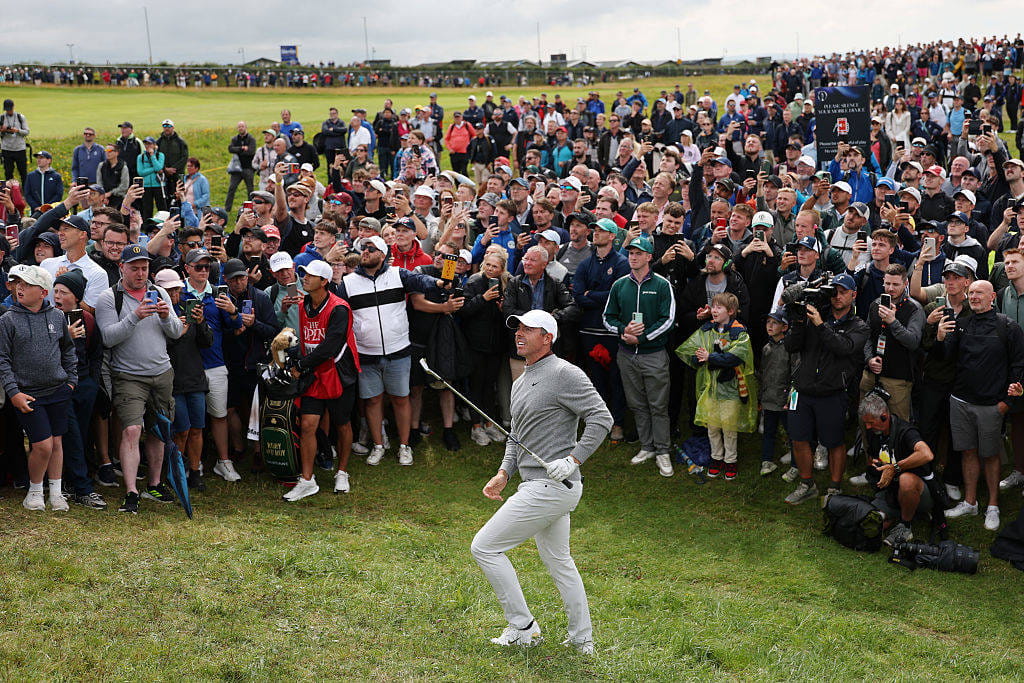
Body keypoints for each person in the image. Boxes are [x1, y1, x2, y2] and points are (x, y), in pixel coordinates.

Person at [472, 309, 611, 655]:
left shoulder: (566, 373)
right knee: (559, 562)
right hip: (537, 485)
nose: (519, 333)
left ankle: (523, 627)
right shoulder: (521, 380)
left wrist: (573, 459)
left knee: (485, 547)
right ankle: (583, 640)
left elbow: (601, 418)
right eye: (517, 328)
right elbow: (516, 435)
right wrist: (504, 473)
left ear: (547, 337)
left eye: (528, 329)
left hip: (554, 486)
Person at [335, 236, 445, 467]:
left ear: (382, 254)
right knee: (373, 401)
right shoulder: (348, 283)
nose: (364, 251)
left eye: (371, 248)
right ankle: (378, 445)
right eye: (363, 248)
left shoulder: (398, 275)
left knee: (401, 399)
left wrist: (437, 284)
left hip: (398, 351)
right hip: (366, 353)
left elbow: (421, 280)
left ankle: (404, 447)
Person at [94, 245, 184, 514]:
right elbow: (108, 338)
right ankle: (131, 491)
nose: (140, 273)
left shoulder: (160, 293)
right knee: (132, 430)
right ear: (122, 267)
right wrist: (134, 317)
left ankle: (154, 484)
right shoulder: (109, 298)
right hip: (128, 375)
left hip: (161, 372)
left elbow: (177, 332)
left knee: (159, 430)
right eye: (134, 268)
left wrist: (167, 316)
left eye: (144, 268)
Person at [938, 280, 1024, 531]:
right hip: (961, 401)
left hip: (992, 406)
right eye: (971, 293)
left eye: (979, 293)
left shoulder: (1008, 327)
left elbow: (1019, 366)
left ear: (992, 297)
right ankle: (970, 501)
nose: (974, 297)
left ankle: (993, 505)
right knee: (967, 452)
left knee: (991, 455)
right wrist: (942, 338)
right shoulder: (961, 324)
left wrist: (1007, 403)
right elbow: (947, 357)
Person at [783, 273, 870, 503]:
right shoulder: (815, 317)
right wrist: (799, 322)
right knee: (799, 439)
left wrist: (820, 325)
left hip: (833, 393)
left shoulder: (858, 325)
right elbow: (791, 346)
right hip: (802, 389)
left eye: (843, 292)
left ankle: (834, 487)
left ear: (854, 295)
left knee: (834, 442)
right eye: (835, 291)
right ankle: (806, 483)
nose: (838, 296)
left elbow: (843, 347)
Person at [0, 265, 76, 512]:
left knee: (56, 443)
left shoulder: (56, 316)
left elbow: (68, 349)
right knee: (42, 444)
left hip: (58, 390)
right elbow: (2, 360)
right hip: (28, 394)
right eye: (17, 283)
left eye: (27, 284)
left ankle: (55, 492)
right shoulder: (8, 320)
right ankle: (34, 491)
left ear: (43, 292)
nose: (20, 288)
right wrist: (13, 392)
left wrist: (71, 380)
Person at [285, 259, 361, 501]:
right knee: (307, 425)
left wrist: (300, 366)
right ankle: (307, 480)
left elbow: (331, 346)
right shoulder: (302, 305)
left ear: (324, 281)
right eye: (303, 274)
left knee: (342, 423)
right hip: (314, 373)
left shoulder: (340, 308)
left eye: (310, 275)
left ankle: (342, 472)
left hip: (338, 372)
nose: (304, 278)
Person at [602, 236, 676, 476]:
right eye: (631, 253)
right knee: (637, 404)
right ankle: (647, 447)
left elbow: (668, 320)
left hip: (653, 354)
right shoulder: (619, 285)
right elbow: (608, 317)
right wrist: (623, 331)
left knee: (658, 405)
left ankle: (663, 450)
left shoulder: (663, 285)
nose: (633, 256)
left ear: (649, 257)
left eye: (638, 253)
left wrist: (641, 339)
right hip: (626, 355)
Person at [677, 292, 758, 480]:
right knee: (712, 426)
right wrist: (698, 357)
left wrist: (710, 357)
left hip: (730, 390)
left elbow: (737, 356)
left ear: (730, 311)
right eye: (712, 307)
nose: (714, 310)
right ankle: (716, 458)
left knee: (729, 428)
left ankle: (731, 461)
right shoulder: (707, 330)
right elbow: (693, 350)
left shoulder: (739, 332)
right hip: (711, 389)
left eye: (718, 307)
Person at [51, 269, 106, 509]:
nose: (57, 296)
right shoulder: (49, 318)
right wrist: (67, 336)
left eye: (63, 292)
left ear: (76, 297)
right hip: (59, 386)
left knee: (81, 435)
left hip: (84, 385)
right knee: (71, 435)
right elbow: (42, 353)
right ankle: (83, 489)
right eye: (55, 291)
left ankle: (72, 482)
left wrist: (92, 382)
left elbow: (96, 353)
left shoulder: (88, 319)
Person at [858, 392, 936, 547]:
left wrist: (895, 467)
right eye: (866, 423)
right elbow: (873, 458)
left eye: (871, 422)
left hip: (919, 490)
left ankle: (905, 527)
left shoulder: (906, 431)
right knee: (869, 523)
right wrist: (874, 465)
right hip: (890, 492)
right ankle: (895, 516)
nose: (867, 427)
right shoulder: (874, 432)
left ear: (884, 416)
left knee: (906, 480)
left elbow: (926, 454)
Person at [226, 121, 256, 212]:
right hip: (236, 169)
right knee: (232, 188)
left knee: (250, 190)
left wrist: (238, 150)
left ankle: (251, 208)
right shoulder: (235, 139)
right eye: (239, 127)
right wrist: (242, 148)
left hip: (248, 168)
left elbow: (251, 151)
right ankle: (227, 209)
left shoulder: (251, 139)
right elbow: (230, 149)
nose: (241, 128)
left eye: (242, 126)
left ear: (246, 127)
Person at [1, 98, 29, 183]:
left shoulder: (20, 117)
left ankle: (26, 193)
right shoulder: (1, 118)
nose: (8, 111)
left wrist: (17, 131)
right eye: (7, 110)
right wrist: (3, 131)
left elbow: (27, 131)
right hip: (6, 149)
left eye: (10, 109)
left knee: (23, 172)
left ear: (13, 107)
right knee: (8, 173)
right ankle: (9, 194)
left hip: (19, 149)